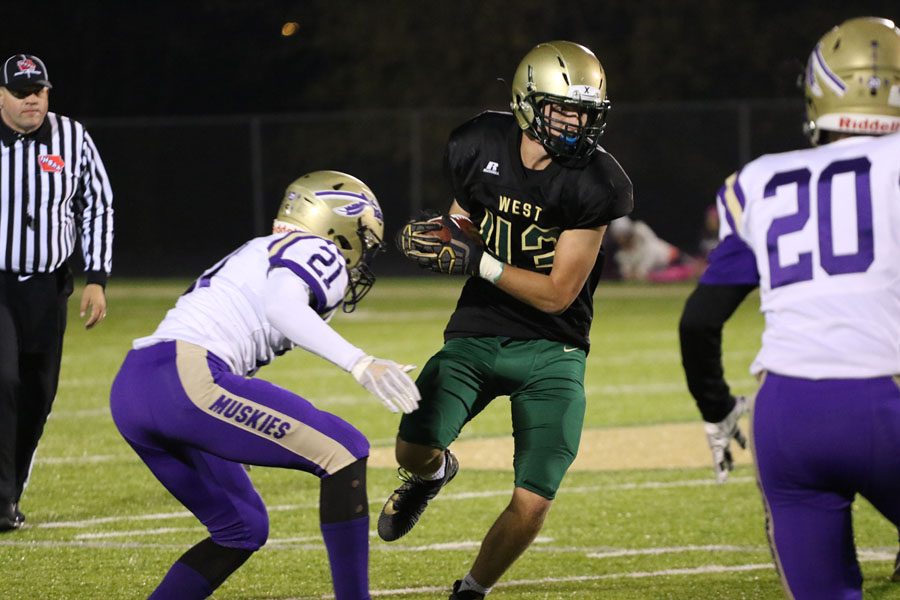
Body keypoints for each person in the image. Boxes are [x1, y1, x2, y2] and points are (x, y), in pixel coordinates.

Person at [382, 41, 633, 599]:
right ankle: (431, 474)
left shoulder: (597, 182)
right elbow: (463, 224)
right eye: (562, 109)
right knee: (409, 447)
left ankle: (472, 590)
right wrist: (444, 239)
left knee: (535, 495)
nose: (576, 123)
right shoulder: (477, 143)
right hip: (477, 330)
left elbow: (557, 295)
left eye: (585, 112)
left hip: (554, 347)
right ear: (526, 102)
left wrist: (479, 260)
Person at [109, 171, 420, 600]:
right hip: (186, 379)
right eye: (362, 238)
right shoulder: (315, 248)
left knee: (240, 527)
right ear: (336, 224)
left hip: (136, 388)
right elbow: (281, 307)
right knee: (344, 451)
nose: (361, 254)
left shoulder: (259, 248)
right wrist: (360, 363)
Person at [681, 17, 900, 598]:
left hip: (787, 415)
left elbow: (699, 319)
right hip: (885, 400)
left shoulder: (760, 179)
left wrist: (717, 406)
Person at [0, 53, 113, 531]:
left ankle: (10, 491)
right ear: (1, 95)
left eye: (39, 90)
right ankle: (0, 499)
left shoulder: (72, 137)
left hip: (48, 287)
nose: (32, 99)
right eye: (22, 91)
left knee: (38, 394)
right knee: (3, 381)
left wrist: (97, 277)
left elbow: (99, 205)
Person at [607, 216, 699, 282]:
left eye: (623, 235)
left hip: (673, 256)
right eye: (618, 236)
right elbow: (626, 274)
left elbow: (651, 249)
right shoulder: (621, 255)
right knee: (659, 277)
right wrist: (632, 274)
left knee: (697, 270)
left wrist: (641, 270)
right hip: (660, 270)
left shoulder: (641, 232)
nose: (621, 239)